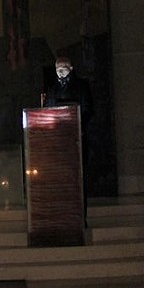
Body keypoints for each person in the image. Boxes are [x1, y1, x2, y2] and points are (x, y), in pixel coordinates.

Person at [42, 56, 94, 223]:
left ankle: (79, 217)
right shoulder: (52, 88)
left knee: (77, 179)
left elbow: (88, 109)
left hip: (76, 137)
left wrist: (77, 125)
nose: (61, 70)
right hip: (58, 139)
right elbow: (47, 110)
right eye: (58, 67)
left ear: (71, 68)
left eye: (64, 66)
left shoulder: (81, 86)